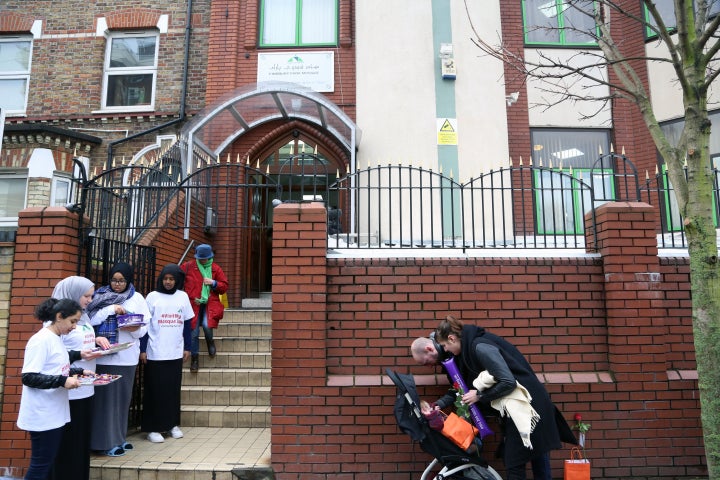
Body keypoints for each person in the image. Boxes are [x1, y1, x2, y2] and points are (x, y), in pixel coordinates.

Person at [432, 315, 576, 480]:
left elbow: (508, 381)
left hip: (527, 406)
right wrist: (441, 403)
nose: (446, 350)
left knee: (516, 462)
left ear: (451, 338)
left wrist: (479, 396)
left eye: (445, 346)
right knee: (529, 458)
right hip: (522, 406)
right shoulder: (470, 349)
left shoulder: (479, 347)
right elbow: (462, 386)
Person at [17, 298, 95, 480]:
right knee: (40, 465)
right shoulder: (40, 340)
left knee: (47, 462)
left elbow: (56, 365)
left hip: (54, 412)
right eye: (72, 321)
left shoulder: (56, 338)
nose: (74, 327)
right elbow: (28, 377)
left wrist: (79, 371)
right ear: (59, 317)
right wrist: (62, 381)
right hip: (42, 414)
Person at [49, 276, 111, 480]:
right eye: (86, 295)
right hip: (68, 390)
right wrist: (81, 355)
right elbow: (55, 356)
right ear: (73, 294)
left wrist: (97, 340)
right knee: (68, 441)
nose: (90, 300)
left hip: (86, 387)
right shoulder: (55, 322)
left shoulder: (82, 317)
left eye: (91, 295)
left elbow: (82, 342)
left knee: (81, 440)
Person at [86, 262, 150, 457]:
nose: (117, 284)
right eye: (114, 280)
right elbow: (91, 320)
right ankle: (103, 442)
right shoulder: (99, 296)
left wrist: (135, 328)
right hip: (105, 356)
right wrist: (112, 309)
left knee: (122, 400)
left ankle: (119, 438)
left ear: (129, 280)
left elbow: (145, 325)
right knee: (106, 402)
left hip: (127, 356)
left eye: (122, 281)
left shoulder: (137, 298)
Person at [139, 264, 194, 443]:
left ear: (177, 280)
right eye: (165, 279)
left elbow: (187, 324)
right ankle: (153, 428)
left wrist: (188, 347)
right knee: (155, 390)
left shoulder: (183, 296)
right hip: (155, 352)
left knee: (172, 391)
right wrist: (142, 349)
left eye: (172, 279)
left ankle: (172, 425)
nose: (168, 282)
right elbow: (145, 326)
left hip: (175, 352)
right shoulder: (153, 297)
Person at [181, 244, 228, 373]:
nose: (202, 260)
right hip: (193, 304)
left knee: (207, 326)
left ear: (210, 257)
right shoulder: (188, 266)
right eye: (200, 258)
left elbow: (224, 286)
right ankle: (194, 358)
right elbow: (178, 277)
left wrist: (214, 283)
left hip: (210, 303)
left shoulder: (215, 268)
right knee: (194, 332)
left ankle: (210, 341)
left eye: (205, 258)